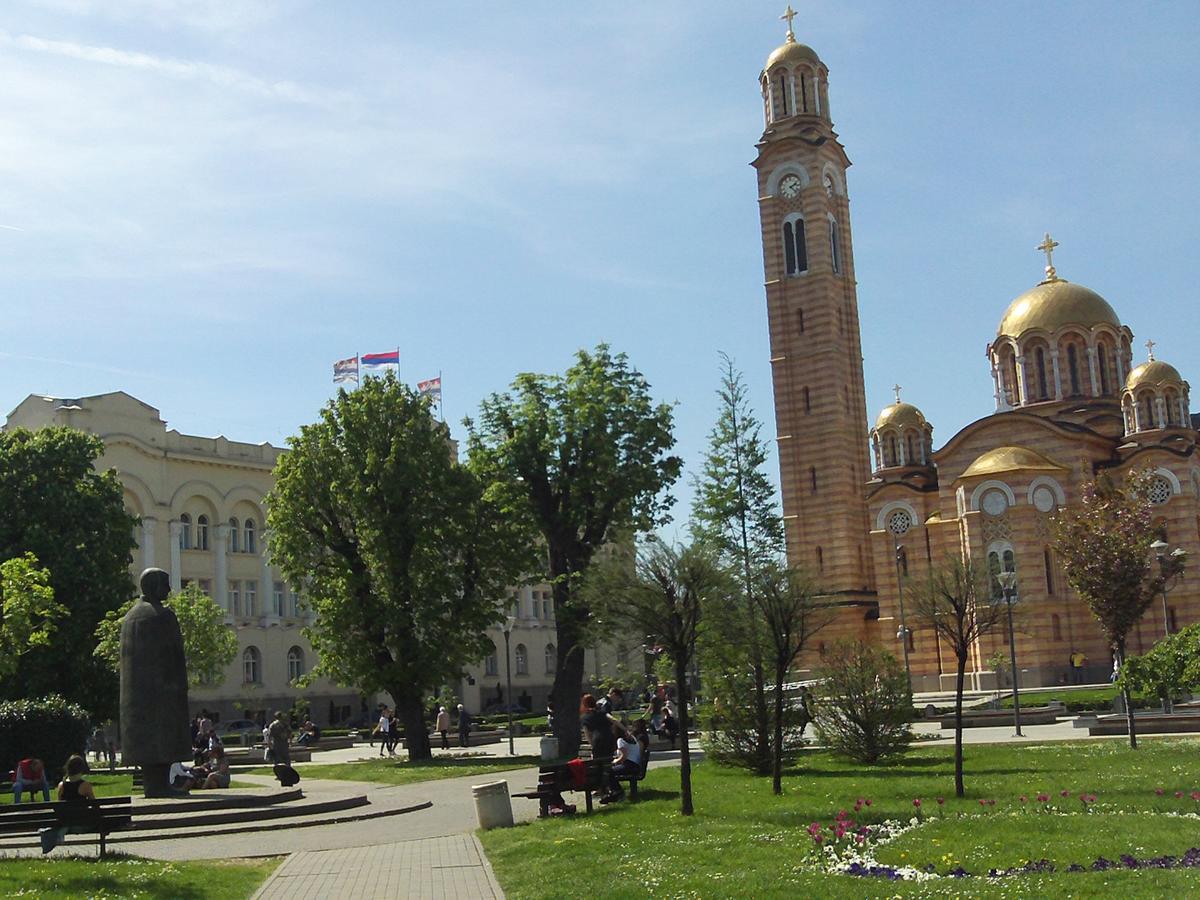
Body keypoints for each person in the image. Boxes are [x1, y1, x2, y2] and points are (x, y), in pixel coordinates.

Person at [39, 755, 96, 854]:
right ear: (81, 768)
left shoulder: (62, 785)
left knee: (67, 819)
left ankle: (63, 829)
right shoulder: (85, 785)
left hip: (67, 821)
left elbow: (60, 805)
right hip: (81, 823)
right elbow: (94, 804)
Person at [602, 727, 643, 804]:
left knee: (608, 771)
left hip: (629, 766)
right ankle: (614, 792)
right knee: (611, 771)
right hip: (636, 766)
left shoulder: (620, 740)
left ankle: (617, 792)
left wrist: (614, 761)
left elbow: (624, 756)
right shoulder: (633, 738)